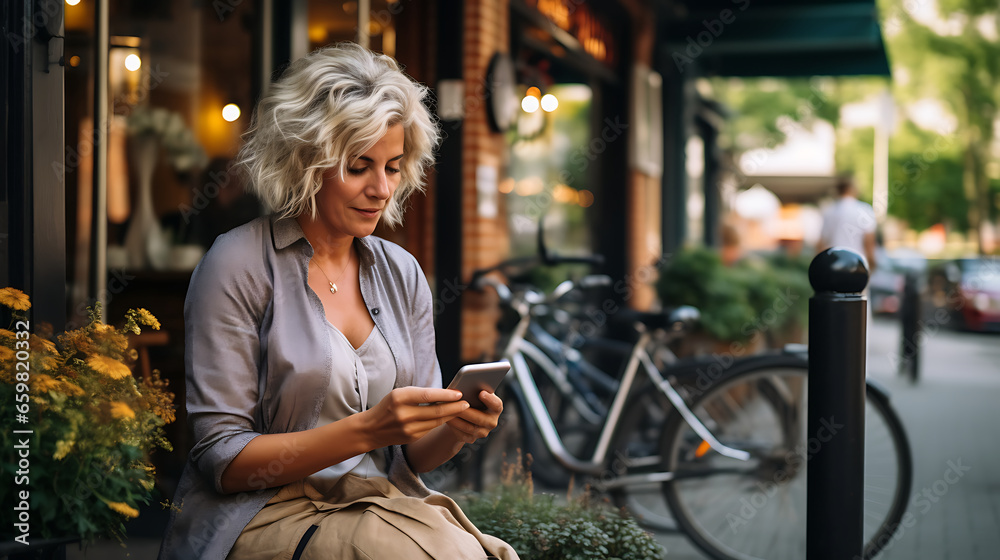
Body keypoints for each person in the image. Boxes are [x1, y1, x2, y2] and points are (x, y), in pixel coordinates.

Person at [157, 43, 518, 560]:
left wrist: (457, 430)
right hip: (260, 514)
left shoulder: (402, 273)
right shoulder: (236, 263)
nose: (381, 189)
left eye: (393, 167)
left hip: (376, 503)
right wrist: (368, 429)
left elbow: (413, 455)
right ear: (305, 160)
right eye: (358, 166)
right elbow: (224, 461)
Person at [817, 174, 877, 272]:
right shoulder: (864, 210)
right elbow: (869, 242)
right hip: (857, 265)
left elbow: (821, 243)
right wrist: (872, 263)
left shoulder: (829, 211)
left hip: (834, 264)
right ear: (852, 189)